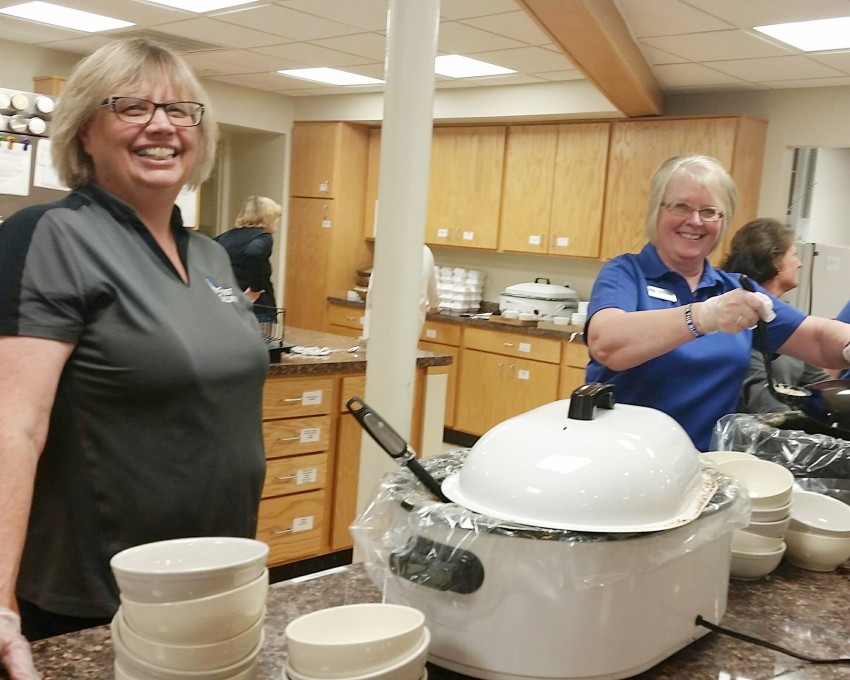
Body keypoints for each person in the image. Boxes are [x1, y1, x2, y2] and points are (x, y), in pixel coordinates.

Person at [0, 38, 269, 678]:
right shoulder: (50, 236)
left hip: (218, 574)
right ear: (85, 130)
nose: (162, 126)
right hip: (97, 595)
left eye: (181, 111)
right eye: (132, 107)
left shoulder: (209, 254)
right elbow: (13, 427)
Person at [585, 154, 850, 451]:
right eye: (681, 206)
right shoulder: (627, 273)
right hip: (624, 462)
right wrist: (703, 316)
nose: (695, 221)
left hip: (706, 467)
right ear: (657, 210)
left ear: (722, 222)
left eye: (710, 211)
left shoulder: (736, 289)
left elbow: (815, 338)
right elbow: (606, 342)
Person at [721, 218, 830, 412]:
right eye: (794, 255)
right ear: (777, 261)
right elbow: (762, 397)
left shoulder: (786, 320)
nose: (800, 263)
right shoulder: (743, 317)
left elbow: (819, 383)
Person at [215, 195, 282, 323]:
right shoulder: (263, 237)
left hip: (229, 304)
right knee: (264, 342)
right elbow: (254, 253)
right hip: (258, 308)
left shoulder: (226, 237)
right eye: (276, 216)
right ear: (268, 217)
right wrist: (255, 288)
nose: (277, 220)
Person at [361, 244, 440, 340]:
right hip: (412, 318)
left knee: (379, 351)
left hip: (385, 317)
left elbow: (373, 291)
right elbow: (431, 284)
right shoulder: (426, 252)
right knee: (405, 352)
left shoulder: (389, 250)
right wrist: (434, 305)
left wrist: (368, 327)